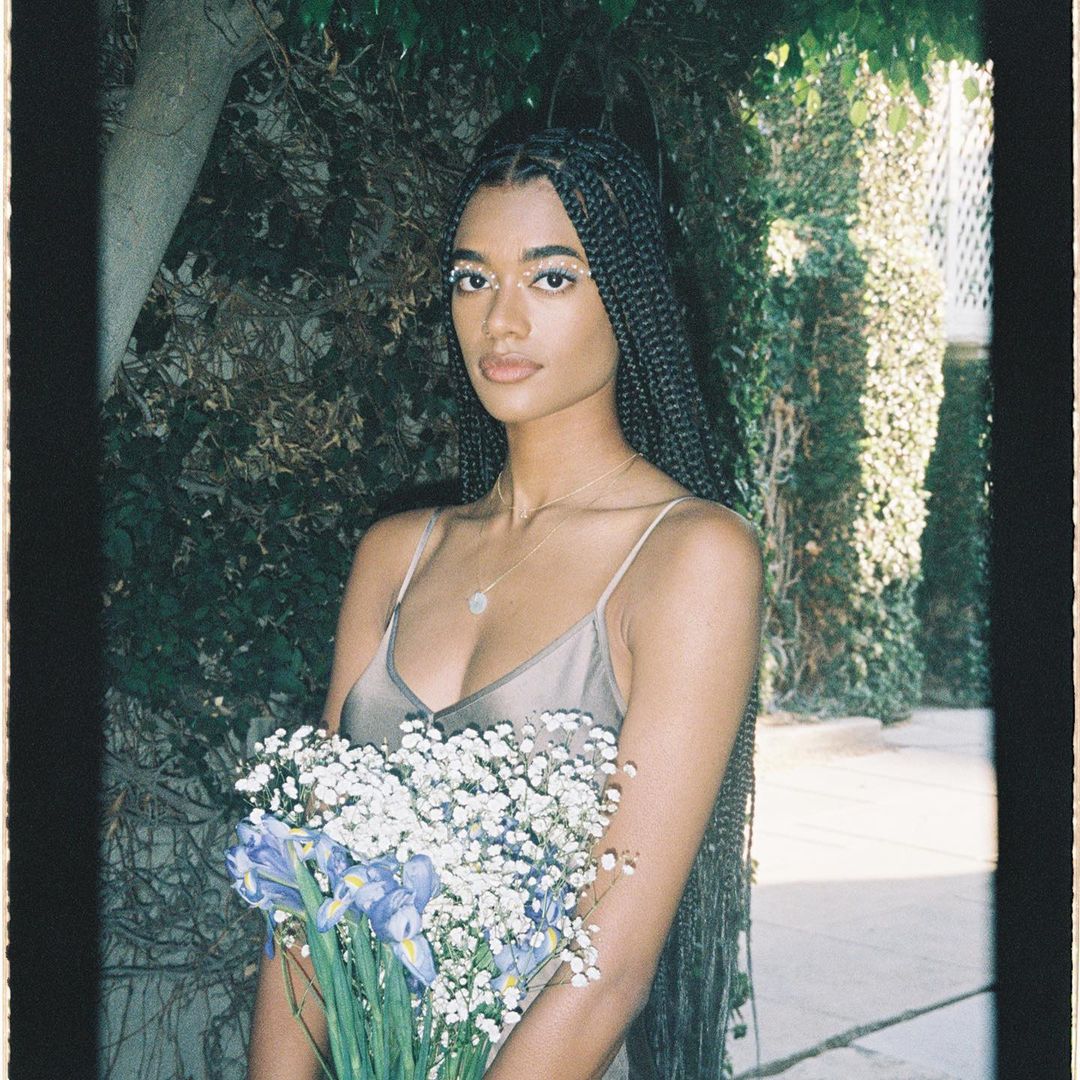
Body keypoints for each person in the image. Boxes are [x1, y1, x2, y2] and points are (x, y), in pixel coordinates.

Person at [246, 127, 761, 1080]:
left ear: (627, 296)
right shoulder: (396, 554)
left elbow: (609, 968)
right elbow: (308, 906)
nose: (500, 320)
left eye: (551, 278)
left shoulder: (690, 558)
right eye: (472, 279)